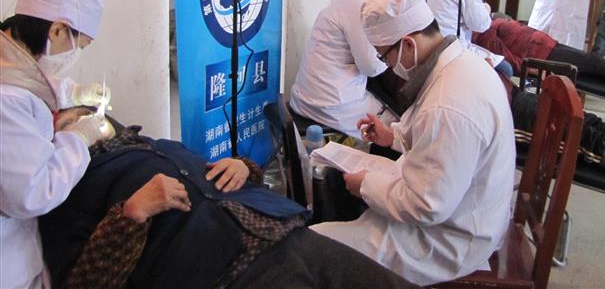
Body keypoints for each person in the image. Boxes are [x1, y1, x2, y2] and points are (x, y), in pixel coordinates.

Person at [39, 107, 418, 289]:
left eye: (89, 112)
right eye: (72, 121)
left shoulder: (156, 144)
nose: (89, 120)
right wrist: (132, 213)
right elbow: (85, 283)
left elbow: (214, 177)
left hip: (282, 230)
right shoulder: (64, 194)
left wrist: (242, 168)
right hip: (228, 269)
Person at [310, 0, 516, 285]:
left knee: (313, 247)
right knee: (338, 195)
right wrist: (392, 137)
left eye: (384, 56)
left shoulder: (448, 103)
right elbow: (439, 142)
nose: (388, 66)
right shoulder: (460, 64)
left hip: (450, 239)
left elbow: (426, 206)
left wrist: (366, 185)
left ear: (408, 44)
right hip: (465, 208)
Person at [0, 0, 109, 289]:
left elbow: (28, 77)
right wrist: (78, 139)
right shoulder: (8, 102)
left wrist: (73, 93)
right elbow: (32, 193)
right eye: (79, 46)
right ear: (58, 30)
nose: (76, 55)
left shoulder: (10, 58)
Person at [290, 0, 418, 137]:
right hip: (329, 105)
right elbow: (371, 67)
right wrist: (394, 55)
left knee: (385, 103)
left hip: (308, 96)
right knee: (398, 127)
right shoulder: (364, 5)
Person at [473, 17, 605, 96]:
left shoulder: (486, 23)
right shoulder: (481, 35)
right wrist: (530, 69)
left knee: (590, 66)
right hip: (541, 55)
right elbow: (508, 59)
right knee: (592, 64)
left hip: (545, 43)